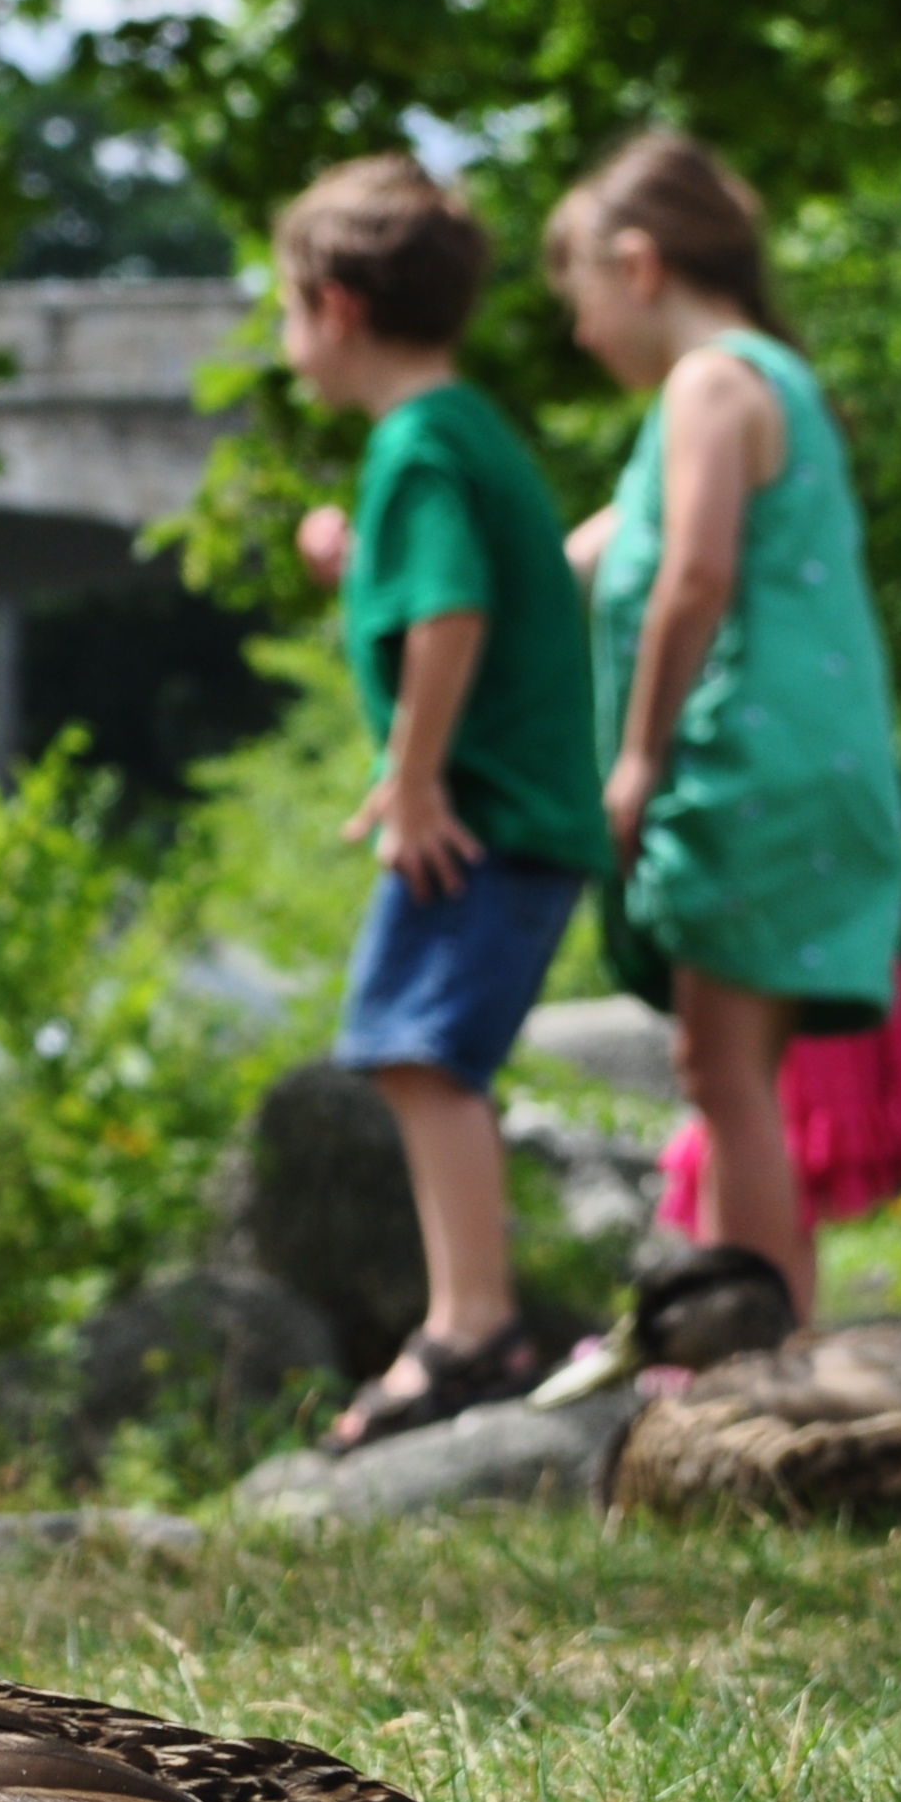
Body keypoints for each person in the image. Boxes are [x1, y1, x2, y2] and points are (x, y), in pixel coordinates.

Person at [549, 131, 901, 1324]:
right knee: (736, 1076)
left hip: (746, 775)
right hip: (806, 776)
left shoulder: (709, 382)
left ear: (639, 264)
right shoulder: (747, 387)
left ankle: (748, 1366)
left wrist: (637, 755)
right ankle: (772, 1344)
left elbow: (691, 578)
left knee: (723, 1076)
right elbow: (585, 556)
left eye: (580, 294)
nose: (579, 331)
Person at [281, 157, 611, 1447]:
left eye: (285, 307)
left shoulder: (416, 443)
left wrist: (410, 776)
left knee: (420, 1051)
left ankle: (471, 1329)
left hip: (475, 813)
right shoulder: (457, 431)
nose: (285, 336)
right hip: (509, 809)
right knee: (418, 1051)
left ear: (338, 305)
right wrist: (353, 559)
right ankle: (468, 1318)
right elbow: (439, 581)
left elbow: (453, 609)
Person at [655, 958, 901, 1235]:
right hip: (811, 947)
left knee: (747, 1117)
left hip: (796, 948)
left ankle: (744, 1289)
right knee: (746, 1122)